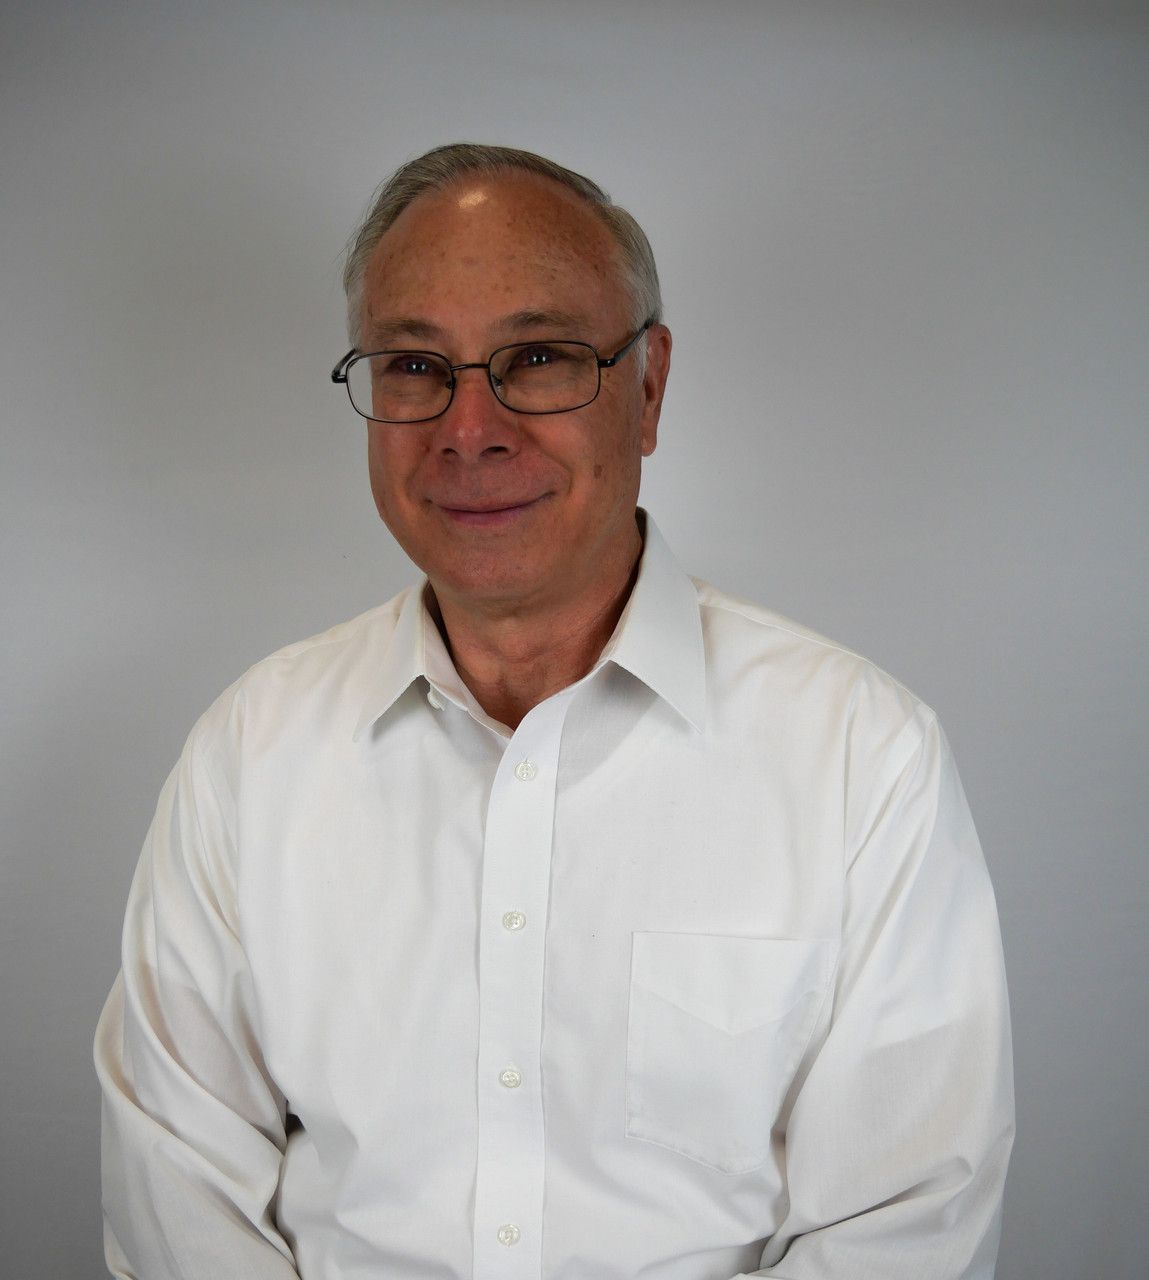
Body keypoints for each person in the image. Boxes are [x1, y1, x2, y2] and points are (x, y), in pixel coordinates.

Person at [95, 143, 1014, 1279]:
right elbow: (178, 1195)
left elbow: (902, 1221)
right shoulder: (250, 755)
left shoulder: (862, 758)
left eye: (537, 357)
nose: (468, 426)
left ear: (651, 388)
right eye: (415, 365)